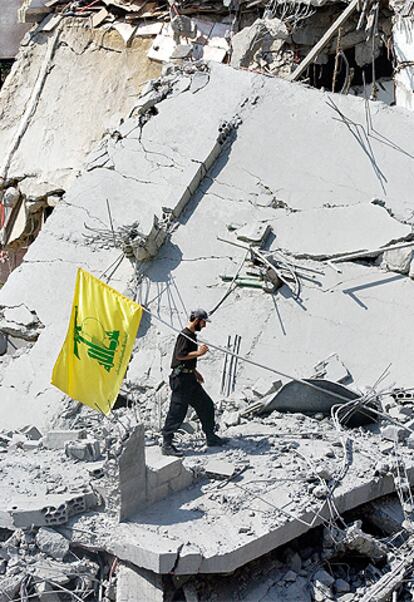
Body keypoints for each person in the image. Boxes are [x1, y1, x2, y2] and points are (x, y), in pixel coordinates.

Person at [161, 308, 228, 456]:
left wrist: (194, 371)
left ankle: (211, 437)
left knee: (206, 405)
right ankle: (167, 444)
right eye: (203, 322)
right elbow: (180, 355)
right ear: (197, 320)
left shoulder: (191, 335)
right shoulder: (185, 336)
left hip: (189, 378)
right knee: (177, 412)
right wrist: (199, 353)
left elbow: (185, 360)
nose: (204, 325)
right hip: (181, 380)